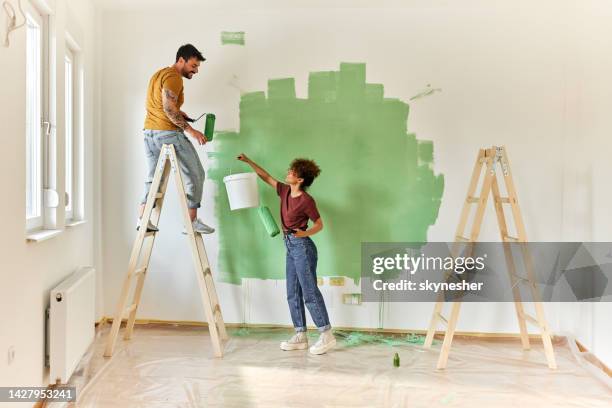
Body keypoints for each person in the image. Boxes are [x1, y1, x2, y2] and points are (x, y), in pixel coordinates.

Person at [237, 153, 336, 355]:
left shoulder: (307, 200)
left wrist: (304, 233)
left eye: (292, 172)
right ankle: (300, 335)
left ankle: (326, 335)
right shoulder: (284, 191)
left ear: (300, 179)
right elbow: (266, 177)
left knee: (309, 292)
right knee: (292, 292)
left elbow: (319, 224)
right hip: (290, 246)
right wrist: (248, 161)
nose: (288, 172)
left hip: (302, 247)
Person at [137, 43, 214, 234]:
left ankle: (142, 219)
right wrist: (191, 131)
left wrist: (180, 113)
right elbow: (168, 109)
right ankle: (192, 221)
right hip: (168, 134)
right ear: (181, 60)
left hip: (149, 133)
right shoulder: (174, 78)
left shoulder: (159, 74)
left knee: (153, 178)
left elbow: (162, 105)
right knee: (196, 173)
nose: (195, 70)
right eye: (193, 65)